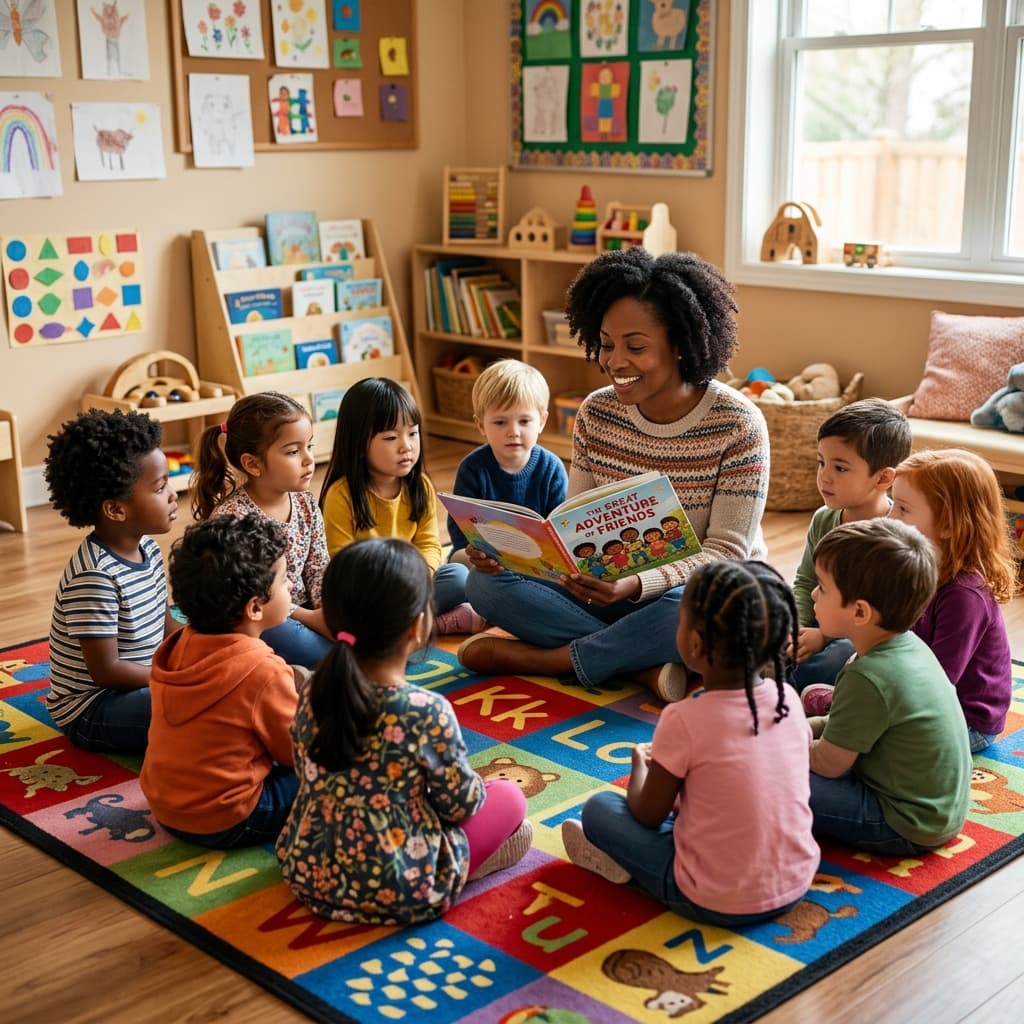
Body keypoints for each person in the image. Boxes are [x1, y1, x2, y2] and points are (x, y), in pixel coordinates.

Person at [458, 248, 770, 702]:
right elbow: (572, 526)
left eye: (635, 347)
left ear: (680, 344)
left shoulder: (738, 424)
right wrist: (508, 555)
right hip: (608, 591)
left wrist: (635, 584)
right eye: (606, 344)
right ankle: (641, 662)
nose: (615, 362)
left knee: (706, 604)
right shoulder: (596, 413)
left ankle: (556, 659)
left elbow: (726, 553)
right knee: (482, 584)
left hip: (694, 593)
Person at [277, 538, 532, 924]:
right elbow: (459, 805)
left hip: (310, 871)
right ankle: (468, 864)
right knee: (509, 796)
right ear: (417, 627)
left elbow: (305, 770)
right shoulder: (425, 711)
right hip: (403, 884)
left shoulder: (314, 690)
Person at [560, 560, 819, 927]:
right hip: (796, 881)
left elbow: (648, 814)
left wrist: (639, 767)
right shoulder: (788, 699)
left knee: (599, 808)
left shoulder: (684, 718)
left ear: (694, 644)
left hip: (715, 898)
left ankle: (628, 868)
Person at [808, 518, 972, 855]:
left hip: (903, 822)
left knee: (769, 777)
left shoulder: (869, 677)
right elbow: (845, 726)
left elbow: (828, 763)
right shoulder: (908, 645)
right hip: (938, 811)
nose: (813, 593)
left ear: (860, 612)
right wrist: (802, 728)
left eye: (822, 588)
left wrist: (778, 743)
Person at [140, 515, 300, 849]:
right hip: (230, 818)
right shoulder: (264, 671)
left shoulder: (177, 645)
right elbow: (297, 753)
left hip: (166, 808)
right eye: (285, 580)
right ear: (254, 608)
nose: (291, 588)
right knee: (337, 769)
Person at [45, 408, 180, 754]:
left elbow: (164, 621)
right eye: (160, 487)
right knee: (195, 702)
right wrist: (175, 679)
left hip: (142, 683)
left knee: (221, 678)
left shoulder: (148, 548)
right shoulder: (95, 576)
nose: (173, 494)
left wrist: (209, 649)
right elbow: (107, 671)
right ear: (116, 510)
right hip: (94, 708)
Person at [318, 377, 481, 635]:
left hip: (413, 583)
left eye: (413, 433)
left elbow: (429, 543)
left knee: (459, 577)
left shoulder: (420, 485)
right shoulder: (342, 495)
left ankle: (399, 631)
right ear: (359, 445)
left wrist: (420, 575)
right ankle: (425, 627)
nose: (406, 446)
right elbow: (342, 561)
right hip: (370, 592)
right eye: (391, 437)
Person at [889, 448, 1017, 752]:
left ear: (948, 525)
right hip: (922, 689)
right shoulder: (919, 568)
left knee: (875, 746)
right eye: (893, 504)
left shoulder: (964, 596)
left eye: (903, 509)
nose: (890, 517)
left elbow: (938, 681)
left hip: (964, 720)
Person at [191, 391, 331, 668]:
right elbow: (246, 600)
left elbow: (318, 567)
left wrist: (328, 609)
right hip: (263, 619)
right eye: (293, 451)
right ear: (253, 464)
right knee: (283, 634)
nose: (308, 459)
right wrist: (310, 618)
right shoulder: (233, 518)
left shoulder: (305, 502)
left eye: (310, 446)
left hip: (304, 611)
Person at [793, 398, 912, 706]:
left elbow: (884, 620)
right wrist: (798, 629)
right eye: (821, 462)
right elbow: (806, 583)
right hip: (819, 626)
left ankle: (790, 685)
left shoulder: (897, 536)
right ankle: (791, 682)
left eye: (840, 468)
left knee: (845, 656)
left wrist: (824, 637)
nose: (824, 476)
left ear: (883, 478)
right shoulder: (824, 519)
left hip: (860, 639)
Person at [447, 359, 568, 565]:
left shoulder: (552, 468)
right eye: (500, 422)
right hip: (486, 559)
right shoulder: (472, 468)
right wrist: (478, 556)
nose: (513, 432)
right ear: (481, 425)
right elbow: (459, 527)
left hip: (538, 562)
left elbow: (560, 528)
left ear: (541, 421)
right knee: (453, 571)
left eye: (524, 421)